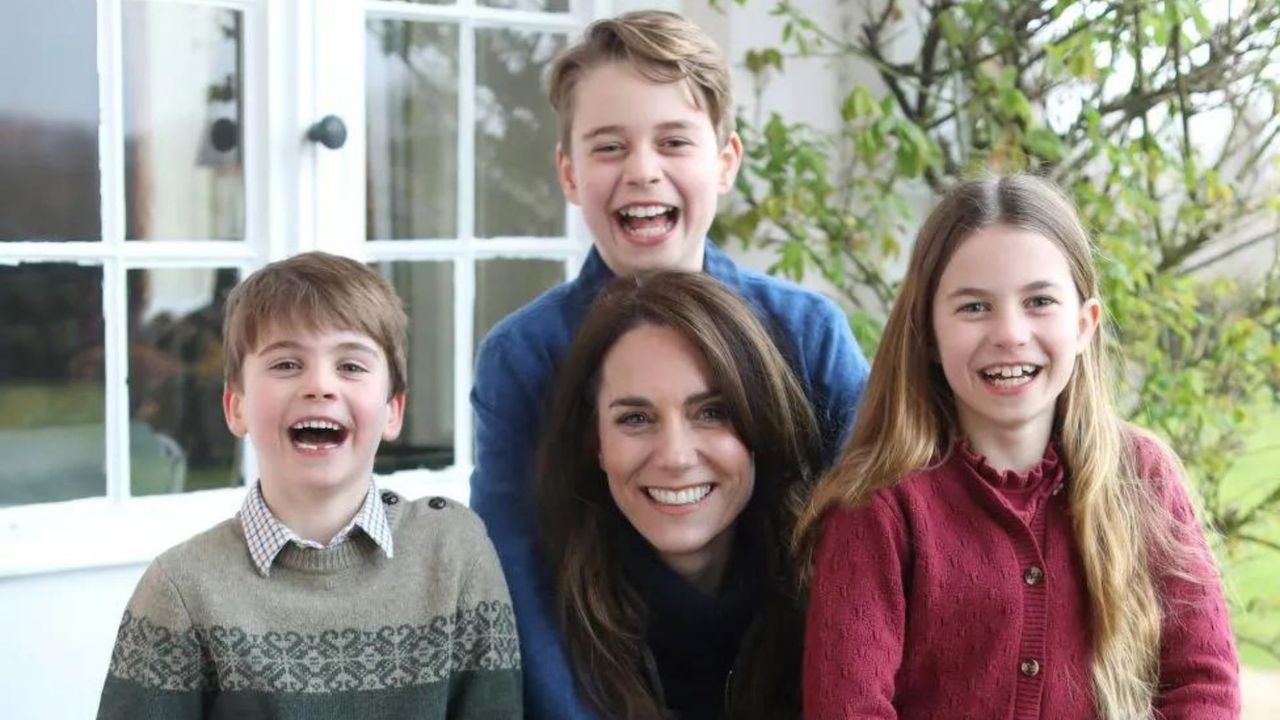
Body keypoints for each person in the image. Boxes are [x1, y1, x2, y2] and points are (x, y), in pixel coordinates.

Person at [469, 10, 869, 719]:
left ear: (725, 162)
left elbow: (871, 548)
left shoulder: (807, 336)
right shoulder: (523, 358)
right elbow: (518, 584)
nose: (642, 171)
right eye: (609, 147)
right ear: (568, 173)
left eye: (674, 141)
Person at [799, 175, 1240, 719]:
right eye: (974, 308)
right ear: (929, 334)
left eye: (1039, 301)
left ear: (1084, 326)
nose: (1010, 332)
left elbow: (1204, 685)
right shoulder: (879, 509)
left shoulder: (1143, 477)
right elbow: (848, 709)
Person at [98, 252, 521, 719]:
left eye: (352, 367)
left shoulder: (455, 552)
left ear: (392, 411)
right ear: (235, 407)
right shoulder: (179, 590)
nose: (320, 386)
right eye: (286, 364)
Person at [537, 271, 821, 719]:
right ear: (596, 443)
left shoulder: (828, 594)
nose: (675, 457)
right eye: (635, 419)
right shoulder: (540, 621)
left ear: (760, 424)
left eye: (712, 412)